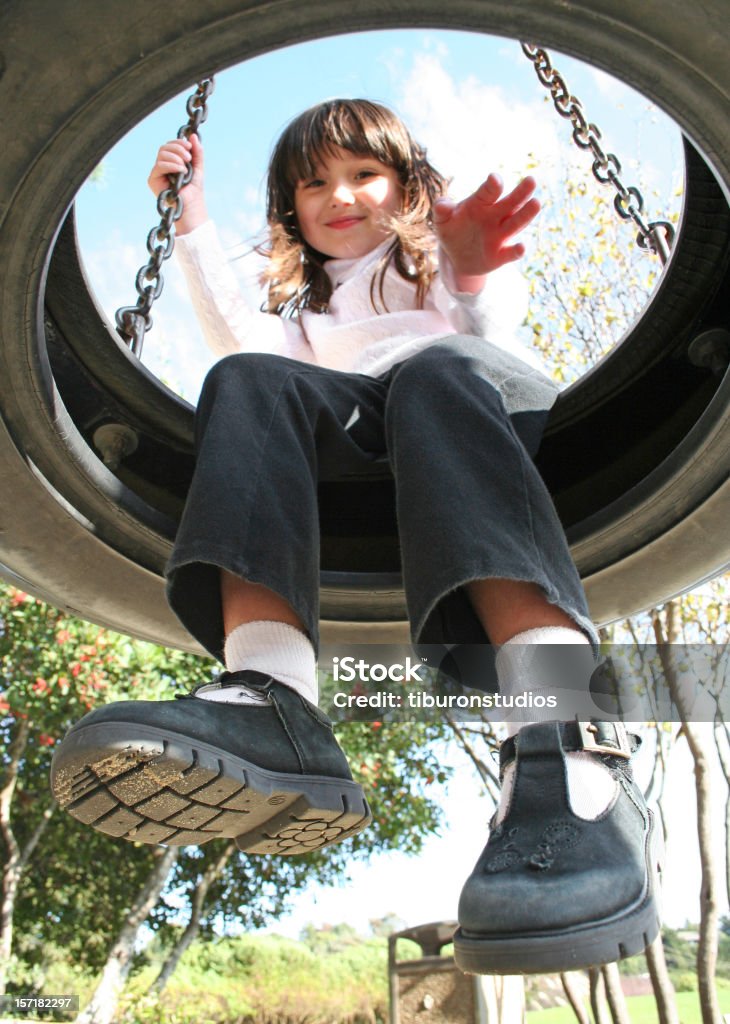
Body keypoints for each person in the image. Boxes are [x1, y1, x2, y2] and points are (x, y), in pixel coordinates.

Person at [51, 99, 659, 974]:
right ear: (290, 207)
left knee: (435, 375)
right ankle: (271, 697)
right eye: (314, 184)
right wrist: (188, 216)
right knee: (250, 378)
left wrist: (474, 272)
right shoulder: (306, 309)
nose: (340, 195)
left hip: (468, 422)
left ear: (406, 185)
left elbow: (493, 340)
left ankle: (565, 740)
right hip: (355, 444)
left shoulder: (436, 258)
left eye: (363, 174)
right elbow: (235, 335)